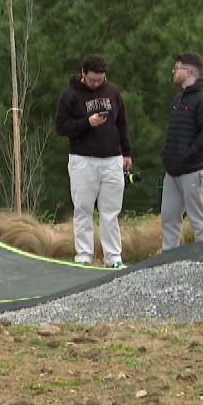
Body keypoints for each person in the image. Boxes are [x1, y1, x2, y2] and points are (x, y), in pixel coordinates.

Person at [55, 55, 132, 268]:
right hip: (83, 159)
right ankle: (84, 256)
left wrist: (126, 152)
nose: (97, 84)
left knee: (111, 211)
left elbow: (122, 123)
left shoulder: (112, 91)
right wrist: (87, 123)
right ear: (83, 73)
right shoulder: (69, 95)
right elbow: (61, 127)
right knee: (83, 209)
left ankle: (113, 257)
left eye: (100, 79)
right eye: (92, 80)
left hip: (112, 159)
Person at [161, 52, 203, 251]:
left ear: (188, 71)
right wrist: (168, 156)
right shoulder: (178, 98)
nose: (173, 72)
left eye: (176, 68)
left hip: (193, 170)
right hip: (172, 170)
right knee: (168, 218)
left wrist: (188, 153)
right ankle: (167, 262)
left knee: (198, 221)